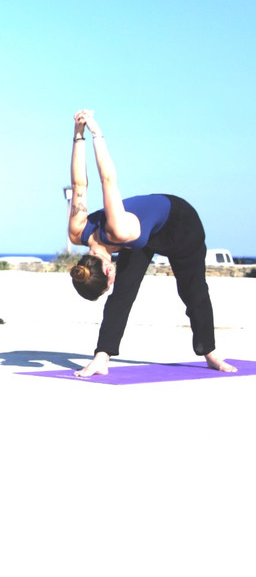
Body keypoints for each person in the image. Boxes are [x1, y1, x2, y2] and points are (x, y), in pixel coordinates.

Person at [66, 109, 236, 378]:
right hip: (144, 233)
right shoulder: (77, 233)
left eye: (106, 284)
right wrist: (77, 136)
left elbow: (106, 179)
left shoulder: (118, 230)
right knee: (123, 294)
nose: (112, 281)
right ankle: (102, 356)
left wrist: (96, 134)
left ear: (108, 270)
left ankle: (210, 352)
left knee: (193, 291)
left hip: (180, 223)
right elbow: (78, 185)